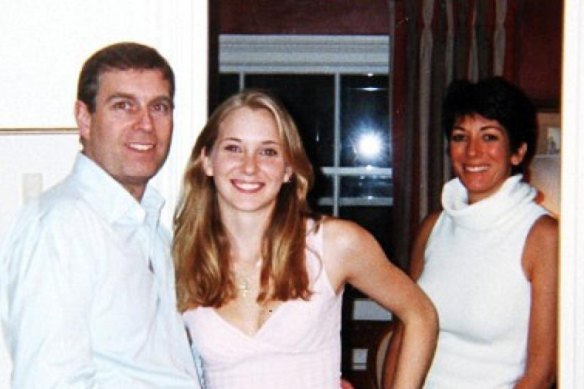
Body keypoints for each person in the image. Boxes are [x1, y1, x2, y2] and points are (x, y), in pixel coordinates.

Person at [173, 89, 438, 389]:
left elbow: (420, 313)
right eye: (234, 148)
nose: (249, 166)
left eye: (268, 151)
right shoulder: (180, 259)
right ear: (207, 161)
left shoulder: (334, 244)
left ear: (288, 169)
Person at [0, 42, 201, 388]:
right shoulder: (62, 227)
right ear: (84, 118)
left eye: (159, 107)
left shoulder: (151, 230)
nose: (146, 125)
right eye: (123, 106)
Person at [383, 77, 558, 388]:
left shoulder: (542, 236)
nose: (472, 152)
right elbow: (402, 335)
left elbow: (540, 374)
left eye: (489, 137)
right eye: (460, 137)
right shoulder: (433, 227)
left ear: (517, 152)